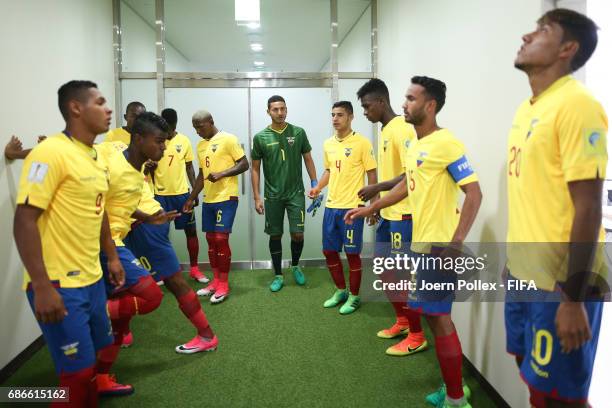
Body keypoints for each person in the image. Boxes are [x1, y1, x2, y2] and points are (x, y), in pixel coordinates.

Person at [345, 76, 482, 408]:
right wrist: (373, 206)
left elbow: (474, 193)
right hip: (422, 244)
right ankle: (455, 388)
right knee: (435, 318)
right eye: (405, 98)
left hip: (439, 247)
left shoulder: (446, 142)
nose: (404, 103)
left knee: (439, 318)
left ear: (430, 105)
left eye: (411, 98)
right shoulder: (417, 145)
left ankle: (455, 398)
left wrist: (457, 241)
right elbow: (408, 184)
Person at [506, 9, 607, 408]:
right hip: (523, 275)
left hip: (563, 286)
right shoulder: (528, 108)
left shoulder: (579, 105)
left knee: (562, 397)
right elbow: (535, 197)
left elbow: (589, 208)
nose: (527, 35)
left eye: (542, 30)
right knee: (531, 376)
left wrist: (574, 299)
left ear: (568, 48)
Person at [13, 80, 122, 407]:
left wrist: (112, 257)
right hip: (59, 283)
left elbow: (100, 213)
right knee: (76, 375)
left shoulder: (94, 156)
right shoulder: (51, 152)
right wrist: (43, 286)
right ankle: (17, 397)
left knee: (94, 362)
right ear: (76, 108)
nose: (108, 109)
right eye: (100, 102)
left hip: (92, 279)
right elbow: (24, 220)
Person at [94, 112, 174, 396]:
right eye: (159, 142)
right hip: (102, 244)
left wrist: (149, 218)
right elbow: (100, 208)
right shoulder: (112, 164)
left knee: (122, 320)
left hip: (115, 241)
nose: (163, 148)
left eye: (165, 142)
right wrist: (113, 255)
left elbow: (119, 204)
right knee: (151, 296)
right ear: (138, 139)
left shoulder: (136, 169)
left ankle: (101, 377)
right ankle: (92, 310)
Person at [356, 78, 427, 356]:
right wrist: (378, 205)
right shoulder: (385, 131)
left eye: (366, 106)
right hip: (388, 214)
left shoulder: (402, 129)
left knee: (403, 277)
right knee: (385, 272)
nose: (364, 112)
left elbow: (413, 172)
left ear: (381, 102)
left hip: (404, 215)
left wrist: (377, 188)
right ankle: (402, 322)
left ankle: (418, 335)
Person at [123, 181, 220, 354]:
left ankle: (207, 336)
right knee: (122, 281)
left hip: (143, 224)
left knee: (173, 281)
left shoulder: (121, 156)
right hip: (124, 228)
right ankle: (122, 333)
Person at [308, 101, 377, 315]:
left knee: (352, 253)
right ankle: (341, 291)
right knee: (329, 251)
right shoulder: (328, 143)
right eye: (333, 115)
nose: (335, 119)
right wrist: (318, 187)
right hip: (331, 207)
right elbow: (329, 170)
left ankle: (355, 296)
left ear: (350, 117)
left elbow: (372, 175)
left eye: (340, 115)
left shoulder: (362, 143)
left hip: (352, 209)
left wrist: (373, 206)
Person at [251, 95, 318, 292]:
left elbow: (308, 159)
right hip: (272, 196)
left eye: (283, 109)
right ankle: (278, 274)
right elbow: (255, 168)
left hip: (296, 193)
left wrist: (314, 183)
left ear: (286, 110)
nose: (280, 113)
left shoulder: (298, 132)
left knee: (297, 234)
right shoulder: (260, 137)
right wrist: (256, 197)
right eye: (275, 109)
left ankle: (296, 266)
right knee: (275, 235)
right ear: (268, 112)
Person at [183, 110, 249, 303]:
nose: (197, 131)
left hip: (226, 197)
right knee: (211, 239)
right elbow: (201, 175)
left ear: (211, 122)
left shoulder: (228, 139)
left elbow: (244, 164)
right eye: (194, 127)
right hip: (209, 199)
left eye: (200, 126)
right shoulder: (201, 145)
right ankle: (215, 281)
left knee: (221, 238)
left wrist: (222, 174)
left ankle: (224, 284)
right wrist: (191, 198)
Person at [154, 108, 205, 283]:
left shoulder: (184, 141)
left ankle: (195, 269)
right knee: (160, 234)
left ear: (175, 124)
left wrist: (194, 192)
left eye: (169, 126)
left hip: (182, 195)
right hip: (159, 196)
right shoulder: (155, 141)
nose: (166, 130)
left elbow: (190, 168)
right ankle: (162, 272)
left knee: (191, 232)